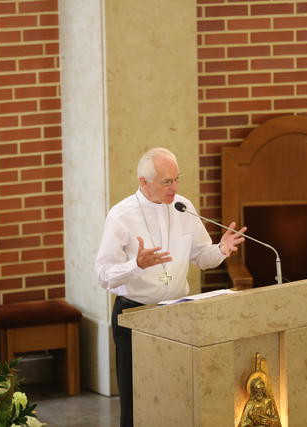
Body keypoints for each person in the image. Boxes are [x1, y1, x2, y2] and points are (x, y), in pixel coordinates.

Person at [94, 147, 246, 427]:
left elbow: (201, 256)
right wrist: (136, 265)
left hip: (178, 315)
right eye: (167, 182)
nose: (174, 188)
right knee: (137, 401)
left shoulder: (183, 207)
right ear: (143, 182)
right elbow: (103, 275)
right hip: (135, 317)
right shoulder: (121, 215)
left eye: (177, 179)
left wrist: (221, 250)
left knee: (179, 395)